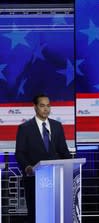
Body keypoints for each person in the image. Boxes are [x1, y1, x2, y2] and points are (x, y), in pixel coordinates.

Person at [15, 94, 71, 222]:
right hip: (34, 180)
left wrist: (70, 165)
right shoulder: (25, 128)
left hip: (55, 179)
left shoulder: (57, 126)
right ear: (35, 107)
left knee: (55, 213)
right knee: (36, 215)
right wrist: (28, 167)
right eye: (42, 106)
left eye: (48, 106)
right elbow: (19, 153)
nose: (46, 109)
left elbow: (63, 150)